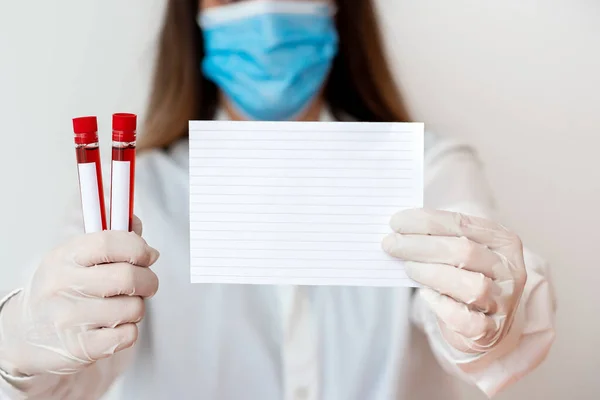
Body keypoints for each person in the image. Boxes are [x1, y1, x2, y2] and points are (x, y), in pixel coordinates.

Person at [0, 0, 556, 399]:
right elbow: (63, 380)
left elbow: (489, 334)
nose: (265, 15)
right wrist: (20, 343)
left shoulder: (427, 168)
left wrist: (492, 312)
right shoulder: (134, 193)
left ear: (342, 10)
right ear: (192, 13)